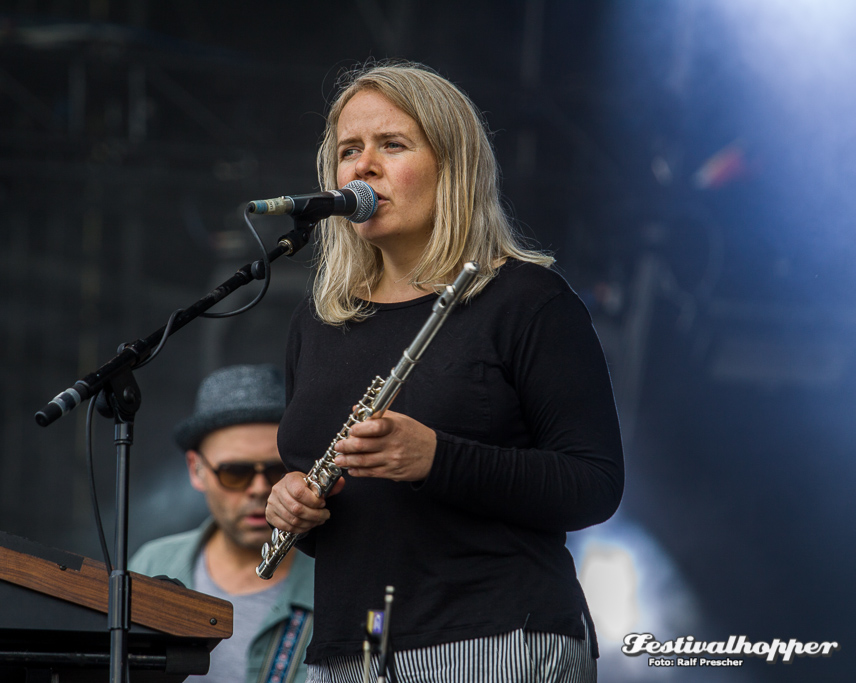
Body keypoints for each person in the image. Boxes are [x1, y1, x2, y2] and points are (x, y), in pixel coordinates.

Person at [265, 61, 624, 683]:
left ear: (452, 167)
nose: (363, 166)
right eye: (349, 150)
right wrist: (294, 504)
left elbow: (593, 483)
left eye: (392, 145)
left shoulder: (527, 301)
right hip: (354, 649)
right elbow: (350, 514)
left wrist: (437, 458)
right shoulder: (319, 321)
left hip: (498, 639)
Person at [130, 364, 314, 683]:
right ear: (196, 469)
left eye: (276, 470)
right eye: (234, 472)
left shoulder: (335, 575)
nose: (258, 488)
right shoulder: (152, 563)